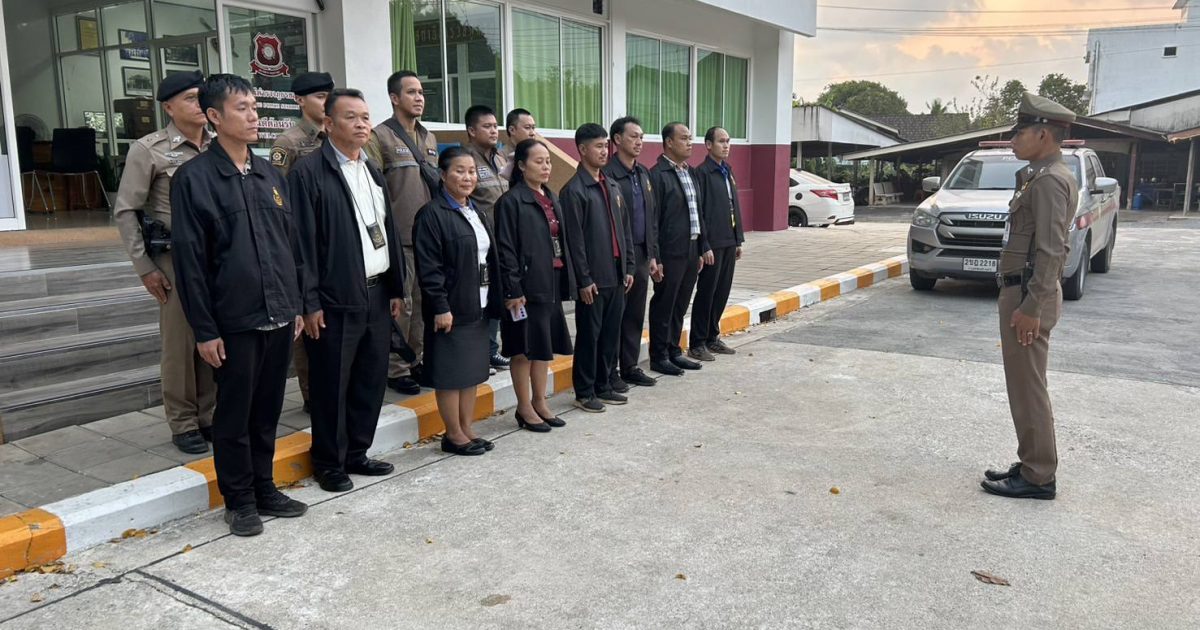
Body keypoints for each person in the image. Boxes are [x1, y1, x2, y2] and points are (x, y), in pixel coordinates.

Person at [170, 74, 308, 536]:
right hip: (234, 320)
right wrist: (205, 329)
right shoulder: (194, 179)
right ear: (214, 116)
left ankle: (265, 487)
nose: (254, 116)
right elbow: (190, 262)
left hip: (278, 314)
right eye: (242, 108)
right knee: (234, 415)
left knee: (267, 410)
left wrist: (295, 305)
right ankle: (240, 500)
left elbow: (290, 246)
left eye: (255, 106)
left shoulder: (269, 173)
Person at [288, 89, 406, 493]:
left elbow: (386, 230)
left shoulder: (370, 168)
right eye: (351, 117)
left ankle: (357, 452)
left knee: (370, 380)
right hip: (334, 299)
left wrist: (395, 287)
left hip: (377, 292)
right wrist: (310, 301)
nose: (361, 124)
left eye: (365, 117)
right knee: (332, 384)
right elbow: (302, 244)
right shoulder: (308, 173)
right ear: (328, 124)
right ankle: (328, 462)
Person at [112, 70, 217, 455]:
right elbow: (126, 211)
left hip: (217, 259)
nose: (199, 104)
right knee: (180, 343)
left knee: (212, 336)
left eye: (201, 96)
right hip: (174, 260)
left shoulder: (217, 144)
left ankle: (208, 414)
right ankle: (183, 421)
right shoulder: (149, 149)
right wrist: (145, 267)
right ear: (169, 107)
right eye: (190, 98)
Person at [981, 93, 1079, 501]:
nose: (1013, 140)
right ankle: (1031, 462)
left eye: (1020, 132)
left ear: (1042, 134)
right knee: (1023, 384)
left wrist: (1032, 306)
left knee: (1029, 387)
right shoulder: (1038, 176)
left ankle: (1039, 475)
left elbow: (1053, 250)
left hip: (1026, 295)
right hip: (1020, 291)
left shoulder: (1051, 180)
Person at [412, 147, 502, 456]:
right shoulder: (432, 214)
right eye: (459, 171)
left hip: (479, 303)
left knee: (471, 372)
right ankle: (452, 434)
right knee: (451, 375)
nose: (467, 177)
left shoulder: (475, 211)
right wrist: (440, 306)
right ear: (443, 175)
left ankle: (466, 428)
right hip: (451, 308)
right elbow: (429, 267)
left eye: (472, 171)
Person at [366, 70, 439, 396]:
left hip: (429, 238)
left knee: (423, 304)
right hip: (400, 237)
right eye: (411, 92)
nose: (419, 97)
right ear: (394, 98)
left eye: (421, 92)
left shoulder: (429, 137)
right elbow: (372, 189)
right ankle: (395, 368)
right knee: (403, 306)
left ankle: (415, 359)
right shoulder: (379, 137)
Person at [494, 139, 574, 432]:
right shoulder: (511, 201)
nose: (545, 167)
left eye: (548, 161)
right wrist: (513, 288)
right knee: (523, 349)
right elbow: (505, 249)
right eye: (538, 161)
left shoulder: (551, 197)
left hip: (550, 281)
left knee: (543, 346)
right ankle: (524, 406)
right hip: (524, 288)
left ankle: (540, 401)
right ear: (521, 165)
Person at [270, 71, 334, 415]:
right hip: (301, 241)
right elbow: (278, 197)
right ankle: (312, 393)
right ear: (299, 100)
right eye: (320, 97)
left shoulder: (334, 136)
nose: (326, 102)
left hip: (332, 243)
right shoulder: (289, 143)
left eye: (328, 96)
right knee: (308, 323)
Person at [560, 123, 634, 413]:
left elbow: (624, 231)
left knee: (610, 334)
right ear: (582, 149)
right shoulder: (574, 191)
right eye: (598, 146)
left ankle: (604, 384)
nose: (605, 151)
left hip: (616, 273)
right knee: (589, 336)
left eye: (606, 146)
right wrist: (584, 279)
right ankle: (585, 391)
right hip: (593, 277)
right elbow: (574, 241)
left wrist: (628, 267)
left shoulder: (611, 185)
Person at [603, 116, 659, 389]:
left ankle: (630, 366)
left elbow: (651, 217)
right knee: (616, 316)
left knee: (635, 314)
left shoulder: (643, 173)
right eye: (633, 136)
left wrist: (653, 255)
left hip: (641, 253)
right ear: (617, 139)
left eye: (641, 137)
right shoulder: (608, 174)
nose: (639, 142)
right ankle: (610, 370)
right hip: (617, 255)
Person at [647, 122, 707, 376]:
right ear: (669, 142)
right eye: (684, 138)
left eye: (690, 138)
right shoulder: (657, 175)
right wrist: (656, 256)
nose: (690, 142)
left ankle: (673, 350)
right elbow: (653, 220)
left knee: (681, 304)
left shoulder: (690, 172)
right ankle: (659, 355)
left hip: (691, 249)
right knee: (665, 304)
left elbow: (698, 213)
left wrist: (702, 247)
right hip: (670, 252)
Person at [689, 126, 745, 362]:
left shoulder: (727, 171)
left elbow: (734, 206)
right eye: (721, 141)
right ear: (708, 145)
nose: (726, 145)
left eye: (728, 141)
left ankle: (713, 336)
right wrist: (704, 245)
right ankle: (697, 342)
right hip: (712, 243)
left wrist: (738, 238)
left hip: (729, 241)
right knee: (707, 293)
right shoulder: (701, 173)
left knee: (722, 292)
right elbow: (699, 212)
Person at [462, 104, 511, 372]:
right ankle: (481, 351)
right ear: (472, 130)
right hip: (479, 243)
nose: (493, 131)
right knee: (479, 298)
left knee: (496, 296)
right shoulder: (466, 160)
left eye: (495, 126)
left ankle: (491, 349)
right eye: (487, 126)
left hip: (502, 240)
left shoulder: (501, 158)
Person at [499, 108, 538, 180]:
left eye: (533, 128)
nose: (532, 133)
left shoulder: (533, 155)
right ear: (512, 130)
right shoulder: (500, 157)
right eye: (527, 127)